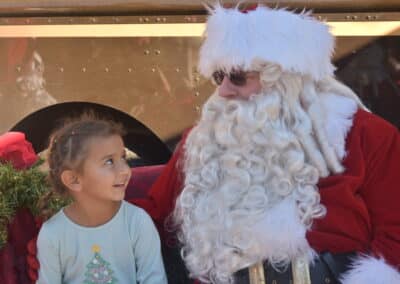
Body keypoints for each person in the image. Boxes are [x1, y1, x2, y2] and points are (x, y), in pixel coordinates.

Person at [29, 4, 400, 284]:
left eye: (238, 77)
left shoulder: (368, 136)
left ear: (288, 80)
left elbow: (395, 238)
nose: (222, 91)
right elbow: (150, 221)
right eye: (219, 76)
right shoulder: (204, 141)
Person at [36, 117, 167, 283]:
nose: (125, 170)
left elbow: (154, 279)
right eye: (109, 161)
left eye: (123, 158)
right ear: (74, 180)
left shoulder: (137, 222)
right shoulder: (53, 234)